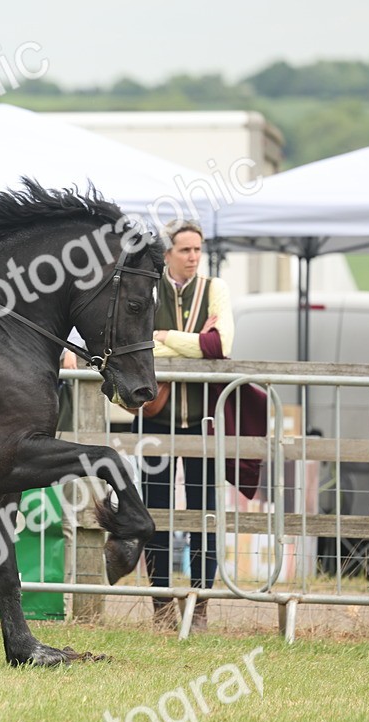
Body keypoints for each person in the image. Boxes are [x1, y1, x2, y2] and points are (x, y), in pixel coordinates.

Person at [138, 219, 235, 633]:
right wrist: (188, 340)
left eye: (198, 249)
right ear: (168, 254)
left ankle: (199, 605)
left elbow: (219, 346)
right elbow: (139, 343)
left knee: (204, 516)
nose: (194, 257)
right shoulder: (150, 287)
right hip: (156, 420)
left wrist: (166, 337)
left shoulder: (216, 289)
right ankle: (161, 604)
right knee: (154, 514)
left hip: (202, 422)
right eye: (185, 250)